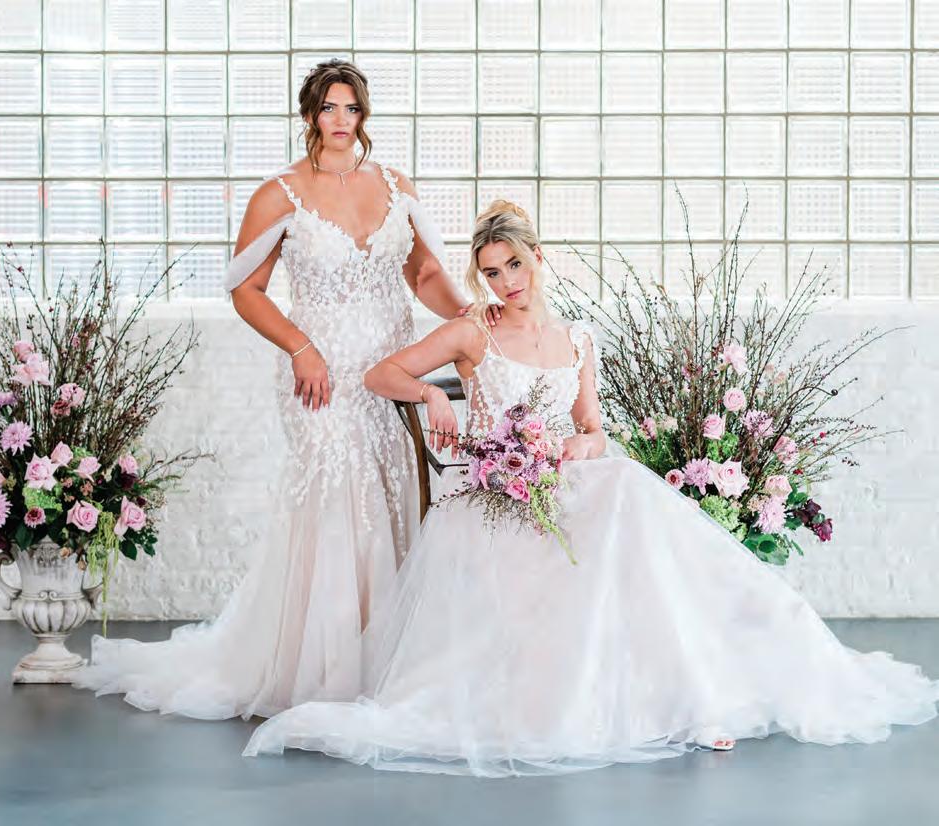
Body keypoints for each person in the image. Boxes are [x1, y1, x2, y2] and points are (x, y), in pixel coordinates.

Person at [243, 200, 939, 775]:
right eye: (491, 272)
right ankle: (672, 700)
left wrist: (584, 444)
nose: (506, 282)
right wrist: (431, 396)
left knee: (628, 498)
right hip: (496, 497)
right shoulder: (472, 331)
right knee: (619, 510)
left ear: (537, 258)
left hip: (565, 479)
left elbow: (592, 426)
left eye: (515, 265)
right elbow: (380, 375)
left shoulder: (577, 339)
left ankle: (695, 697)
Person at [73, 60, 485, 719]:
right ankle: (325, 668)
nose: (341, 120)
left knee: (392, 491)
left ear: (364, 115)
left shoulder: (395, 185)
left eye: (352, 108)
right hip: (320, 374)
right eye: (329, 107)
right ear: (309, 115)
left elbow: (424, 272)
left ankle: (390, 662)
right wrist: (299, 347)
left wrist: (465, 312)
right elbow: (246, 288)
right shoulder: (280, 194)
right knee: (338, 498)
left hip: (390, 368)